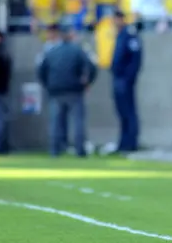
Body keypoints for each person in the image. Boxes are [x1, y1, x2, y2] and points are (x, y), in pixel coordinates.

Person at [37, 23, 97, 157]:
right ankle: (79, 150)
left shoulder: (52, 51)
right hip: (74, 90)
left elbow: (41, 70)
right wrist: (87, 83)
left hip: (56, 91)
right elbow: (91, 67)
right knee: (78, 122)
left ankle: (55, 150)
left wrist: (48, 85)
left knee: (56, 122)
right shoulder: (78, 50)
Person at [111, 10, 142, 153]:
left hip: (125, 80)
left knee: (129, 112)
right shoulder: (120, 35)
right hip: (118, 78)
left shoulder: (130, 34)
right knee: (122, 112)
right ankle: (123, 143)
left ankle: (131, 143)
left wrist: (129, 78)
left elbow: (135, 59)